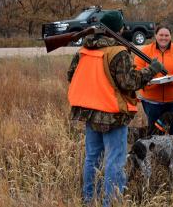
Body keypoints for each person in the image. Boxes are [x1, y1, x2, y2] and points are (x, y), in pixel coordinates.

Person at [67, 11, 164, 206]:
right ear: (116, 29)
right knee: (115, 160)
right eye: (121, 27)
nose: (123, 29)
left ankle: (89, 199)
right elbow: (129, 82)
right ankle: (110, 202)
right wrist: (150, 70)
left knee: (92, 158)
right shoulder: (118, 51)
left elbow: (71, 76)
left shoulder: (84, 50)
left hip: (90, 112)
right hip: (113, 114)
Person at [134, 26, 173, 134]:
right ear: (155, 36)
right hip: (152, 101)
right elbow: (137, 72)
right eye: (161, 35)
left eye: (166, 35)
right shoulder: (145, 51)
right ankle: (156, 151)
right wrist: (153, 80)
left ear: (170, 36)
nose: (164, 38)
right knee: (155, 132)